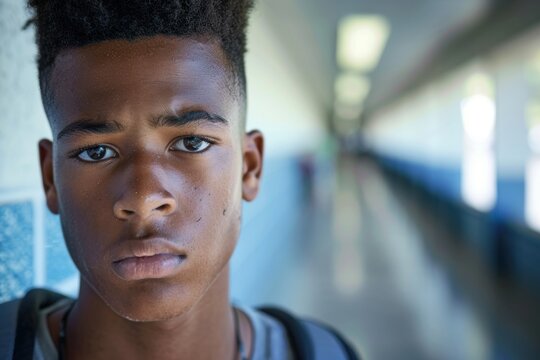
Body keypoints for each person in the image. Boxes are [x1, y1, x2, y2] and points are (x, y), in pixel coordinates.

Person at [1, 1, 359, 359]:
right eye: (96, 153)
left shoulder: (325, 352)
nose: (143, 199)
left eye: (192, 143)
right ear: (50, 179)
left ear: (250, 167)